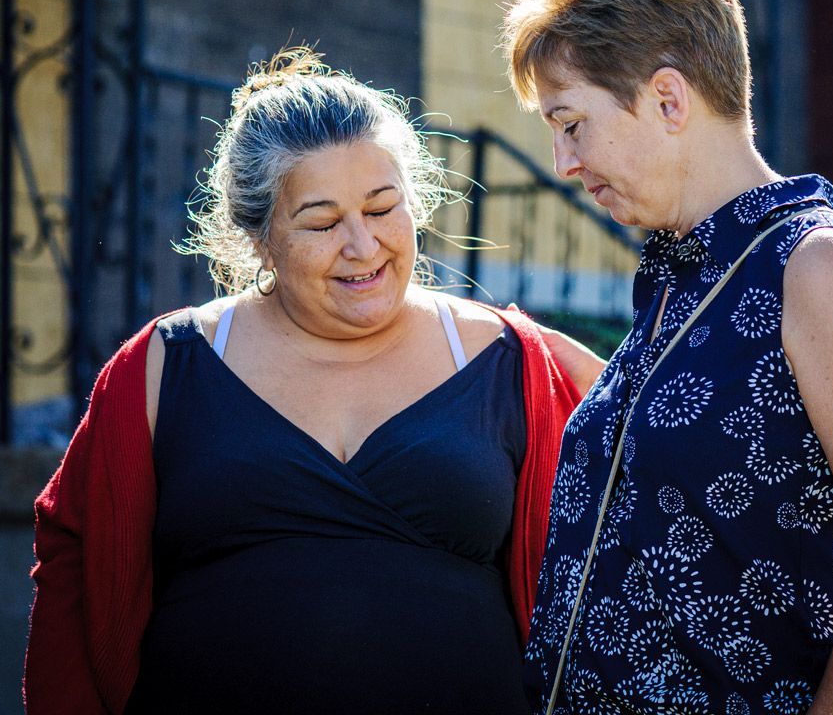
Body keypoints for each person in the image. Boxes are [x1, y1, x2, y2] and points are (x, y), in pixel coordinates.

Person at [24, 48, 603, 715]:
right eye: (323, 223)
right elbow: (75, 563)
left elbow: (596, 571)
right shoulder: (160, 364)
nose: (363, 245)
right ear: (260, 237)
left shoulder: (511, 360)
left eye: (383, 208)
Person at [501, 0, 833, 715]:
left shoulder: (817, 267)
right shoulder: (681, 275)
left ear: (668, 98)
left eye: (571, 124)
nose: (564, 165)